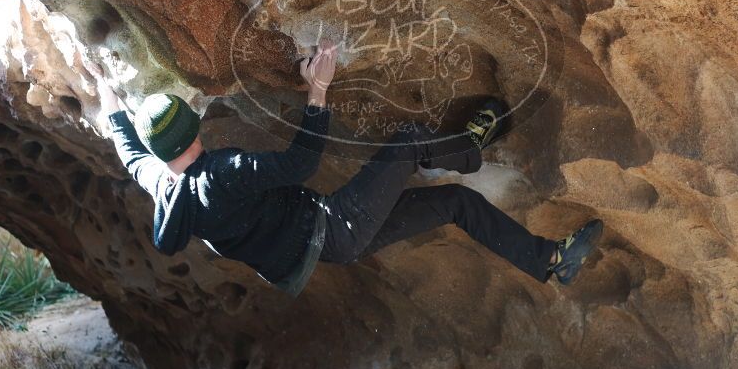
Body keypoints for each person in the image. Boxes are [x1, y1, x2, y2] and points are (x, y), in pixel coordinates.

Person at [86, 43, 602, 297]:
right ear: (194, 131)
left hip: (325, 249)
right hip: (335, 226)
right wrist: (319, 90)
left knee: (456, 205)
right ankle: (470, 149)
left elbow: (129, 152)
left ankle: (550, 259)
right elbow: (301, 163)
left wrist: (109, 102)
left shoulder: (165, 188)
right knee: (406, 143)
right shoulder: (222, 173)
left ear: (161, 152)